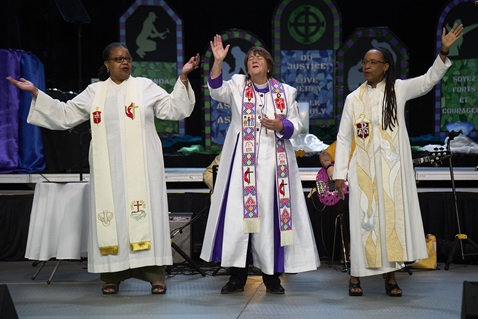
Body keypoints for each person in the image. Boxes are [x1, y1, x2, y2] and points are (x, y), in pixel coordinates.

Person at [7, 42, 200, 295]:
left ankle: (155, 276)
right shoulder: (94, 91)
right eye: (119, 59)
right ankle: (112, 275)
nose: (125, 62)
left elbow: (174, 108)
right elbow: (65, 114)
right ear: (107, 64)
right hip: (108, 170)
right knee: (112, 219)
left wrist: (183, 77)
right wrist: (35, 93)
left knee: (144, 219)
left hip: (142, 169)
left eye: (128, 58)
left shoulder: (144, 87)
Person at [333, 23, 464, 297]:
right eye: (364, 62)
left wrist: (443, 51)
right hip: (363, 174)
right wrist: (339, 174)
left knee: (389, 224)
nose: (367, 66)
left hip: (391, 175)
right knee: (364, 224)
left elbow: (428, 80)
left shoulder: (398, 90)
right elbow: (344, 139)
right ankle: (355, 276)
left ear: (385, 67)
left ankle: (390, 278)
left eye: (373, 62)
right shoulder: (352, 99)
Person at [200, 35, 320, 295]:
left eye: (259, 57)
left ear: (268, 66)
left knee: (270, 220)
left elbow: (297, 124)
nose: (253, 60)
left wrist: (281, 126)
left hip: (273, 168)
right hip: (241, 168)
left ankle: (272, 278)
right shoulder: (237, 84)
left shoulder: (286, 92)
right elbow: (215, 90)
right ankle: (237, 277)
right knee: (239, 221)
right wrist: (218, 62)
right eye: (249, 58)